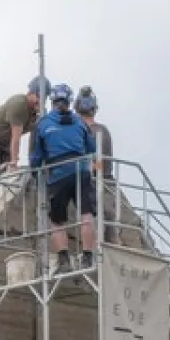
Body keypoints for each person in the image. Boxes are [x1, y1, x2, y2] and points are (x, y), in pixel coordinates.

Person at [30, 83, 98, 270]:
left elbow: (36, 156)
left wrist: (35, 174)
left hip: (57, 174)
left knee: (57, 220)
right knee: (86, 214)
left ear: (52, 101)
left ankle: (64, 258)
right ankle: (87, 256)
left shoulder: (43, 124)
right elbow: (92, 149)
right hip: (81, 172)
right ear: (70, 101)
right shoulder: (80, 123)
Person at [75, 86, 120, 244]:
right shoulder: (104, 130)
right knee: (110, 229)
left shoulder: (83, 132)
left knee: (93, 224)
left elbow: (96, 164)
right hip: (108, 183)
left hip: (94, 184)